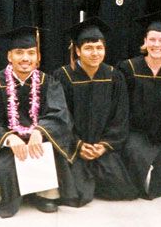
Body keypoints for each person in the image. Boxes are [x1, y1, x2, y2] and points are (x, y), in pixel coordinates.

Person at [0, 26, 77, 218]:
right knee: (6, 167)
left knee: (48, 151)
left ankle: (45, 194)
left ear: (38, 57)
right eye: (19, 53)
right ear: (9, 56)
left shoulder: (48, 82)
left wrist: (40, 131)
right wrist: (8, 138)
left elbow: (60, 114)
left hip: (40, 143)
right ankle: (14, 196)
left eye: (31, 53)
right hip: (7, 148)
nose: (25, 58)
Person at [53, 18, 137, 205]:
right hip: (74, 149)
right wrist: (78, 144)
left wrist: (104, 145)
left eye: (99, 48)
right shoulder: (63, 76)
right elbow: (60, 118)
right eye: (89, 48)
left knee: (123, 190)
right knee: (77, 197)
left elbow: (120, 116)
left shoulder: (114, 76)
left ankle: (92, 179)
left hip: (102, 147)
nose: (95, 53)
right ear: (77, 50)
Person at [117, 12, 161, 199]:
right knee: (139, 157)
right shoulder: (128, 68)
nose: (157, 45)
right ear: (145, 41)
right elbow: (121, 108)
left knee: (160, 169)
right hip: (135, 133)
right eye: (152, 39)